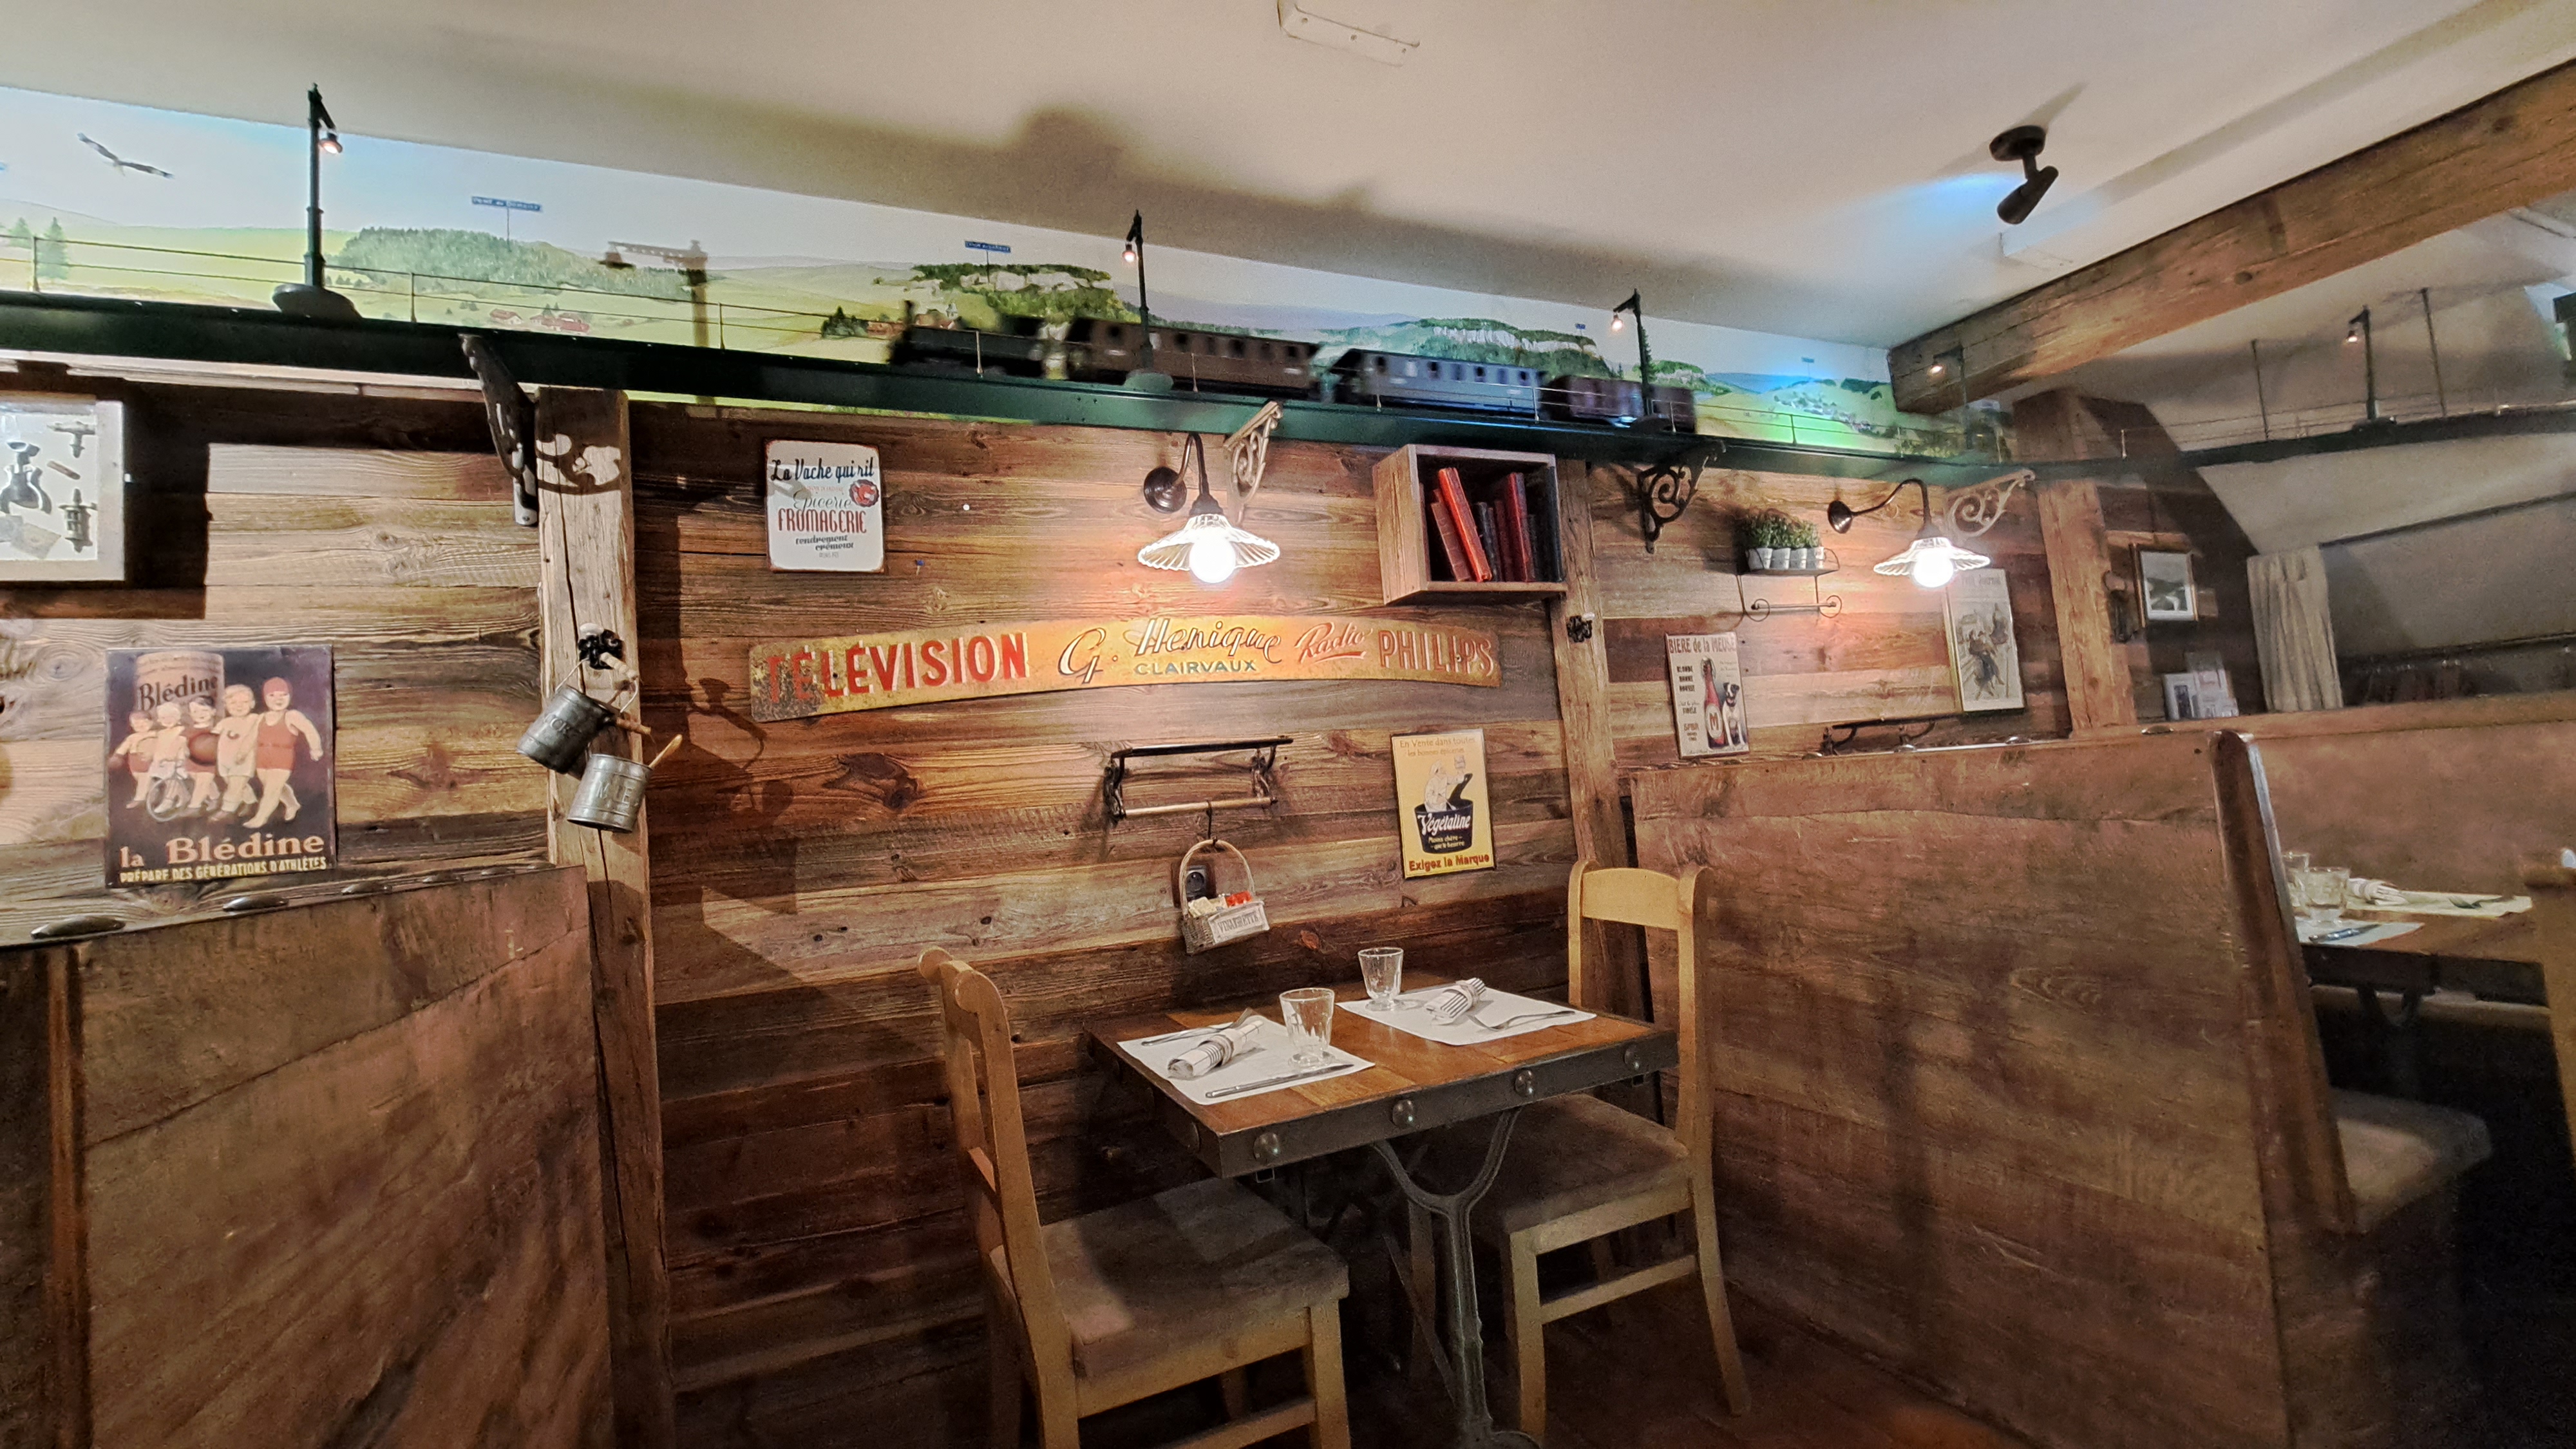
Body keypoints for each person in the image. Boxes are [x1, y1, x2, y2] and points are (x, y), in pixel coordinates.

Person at [243, 677, 325, 830]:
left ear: (289, 697)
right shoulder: (261, 718)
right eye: (272, 695)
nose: (278, 699)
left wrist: (316, 748)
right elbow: (251, 737)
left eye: (283, 695)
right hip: (262, 759)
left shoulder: (292, 715)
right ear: (265, 698)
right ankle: (292, 804)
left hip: (282, 758)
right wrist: (242, 753)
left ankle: (260, 818)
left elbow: (309, 730)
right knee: (274, 786)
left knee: (272, 790)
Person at [212, 683, 262, 820]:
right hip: (224, 761)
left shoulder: (254, 719)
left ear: (252, 704)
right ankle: (251, 802)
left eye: (244, 702)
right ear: (225, 705)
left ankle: (226, 810)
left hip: (243, 760)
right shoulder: (225, 722)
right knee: (235, 784)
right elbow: (212, 737)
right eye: (233, 703)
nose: (239, 706)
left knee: (235, 786)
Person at [182, 696, 223, 815]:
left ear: (213, 712)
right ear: (190, 714)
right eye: (195, 711)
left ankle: (194, 806)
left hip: (209, 761)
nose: (200, 714)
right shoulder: (189, 731)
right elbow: (182, 743)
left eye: (204, 710)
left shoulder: (216, 729)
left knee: (202, 782)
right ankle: (215, 797)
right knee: (203, 781)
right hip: (192, 761)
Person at [107, 709, 156, 807]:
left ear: (151, 723)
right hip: (135, 762)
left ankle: (139, 798)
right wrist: (118, 755)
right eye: (137, 724)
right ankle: (154, 791)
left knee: (144, 778)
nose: (141, 726)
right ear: (132, 726)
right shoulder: (132, 738)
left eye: (144, 723)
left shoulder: (155, 735)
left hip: (148, 760)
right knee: (140, 778)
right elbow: (124, 747)